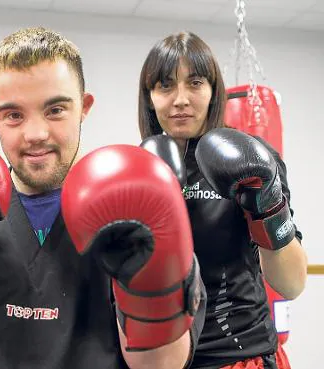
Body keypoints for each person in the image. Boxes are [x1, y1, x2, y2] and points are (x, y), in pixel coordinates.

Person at [0, 27, 207, 369]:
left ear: (84, 107)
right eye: (13, 115)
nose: (36, 134)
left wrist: (143, 280)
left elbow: (161, 366)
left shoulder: (132, 212)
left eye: (55, 110)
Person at [137, 31, 308, 369]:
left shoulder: (253, 162)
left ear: (214, 91)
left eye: (195, 83)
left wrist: (267, 204)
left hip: (241, 356)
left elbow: (291, 284)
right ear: (150, 97)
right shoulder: (139, 169)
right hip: (161, 357)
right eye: (166, 85)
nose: (181, 99)